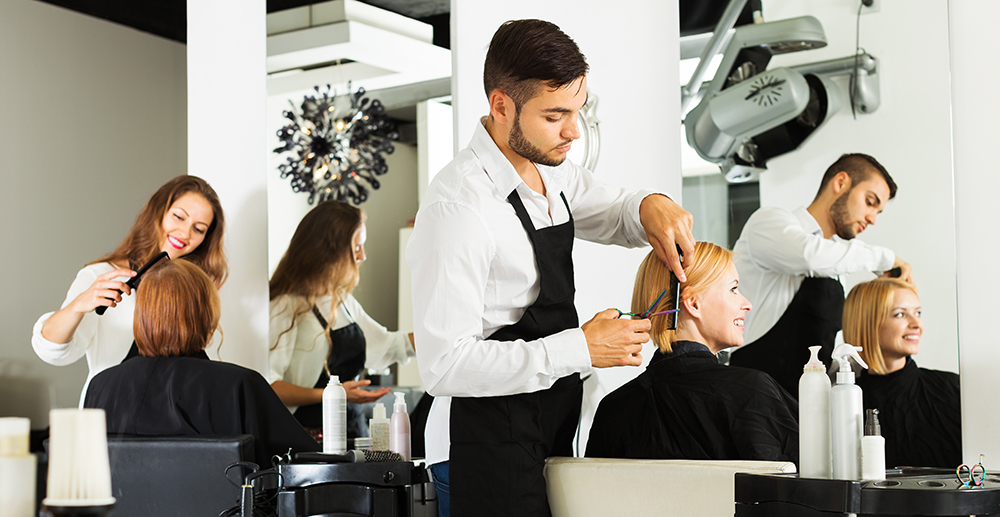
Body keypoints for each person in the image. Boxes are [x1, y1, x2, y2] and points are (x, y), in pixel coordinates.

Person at [405, 19, 695, 517]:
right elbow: (444, 365)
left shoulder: (550, 170)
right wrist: (582, 347)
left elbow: (614, 210)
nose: (572, 131)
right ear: (501, 106)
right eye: (555, 115)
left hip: (546, 424)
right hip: (482, 442)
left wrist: (651, 203)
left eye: (578, 111)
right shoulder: (458, 207)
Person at [84, 259, 319, 467]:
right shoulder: (239, 385)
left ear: (142, 315)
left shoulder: (100, 387)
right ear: (207, 316)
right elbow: (308, 466)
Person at [586, 243, 798, 462]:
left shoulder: (613, 410)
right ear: (693, 303)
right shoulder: (752, 391)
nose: (747, 304)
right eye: (733, 289)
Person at [33, 175, 227, 406]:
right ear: (158, 212)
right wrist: (77, 307)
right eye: (178, 216)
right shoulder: (101, 277)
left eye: (198, 229)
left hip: (177, 423)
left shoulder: (199, 290)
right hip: (109, 418)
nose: (185, 233)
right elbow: (53, 352)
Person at [729, 153, 911, 398]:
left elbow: (821, 356)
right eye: (870, 202)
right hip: (754, 399)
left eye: (878, 212)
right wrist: (885, 258)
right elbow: (808, 256)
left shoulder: (836, 270)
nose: (872, 219)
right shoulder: (769, 223)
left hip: (806, 410)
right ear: (841, 183)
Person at [269, 200, 415, 440]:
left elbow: (387, 346)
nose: (363, 256)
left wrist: (442, 337)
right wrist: (335, 394)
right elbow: (270, 388)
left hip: (354, 434)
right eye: (356, 247)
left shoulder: (343, 301)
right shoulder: (286, 305)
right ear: (330, 250)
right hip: (308, 440)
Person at [844, 278, 961, 468]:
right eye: (900, 314)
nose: (917, 324)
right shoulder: (845, 402)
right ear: (867, 323)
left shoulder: (952, 389)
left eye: (918, 313)